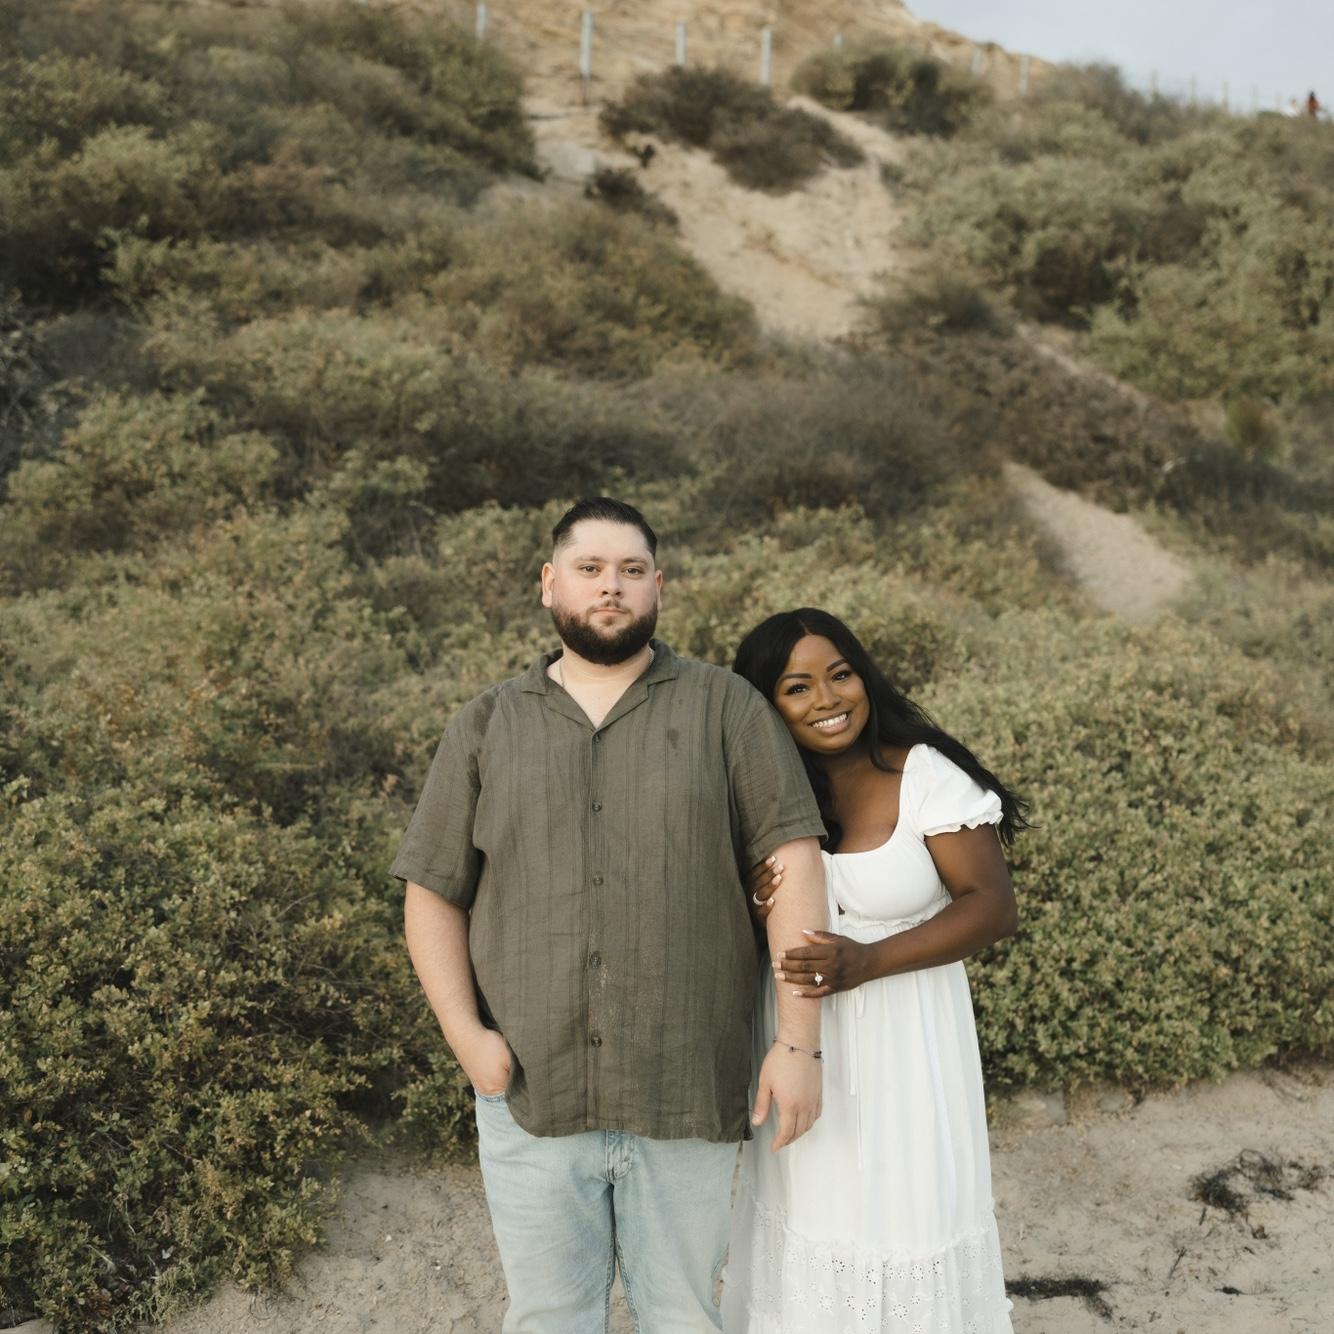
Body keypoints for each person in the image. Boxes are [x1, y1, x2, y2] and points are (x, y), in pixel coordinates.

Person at [392, 498, 828, 1332]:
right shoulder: (486, 724)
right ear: (548, 583)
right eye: (589, 569)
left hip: (686, 1085)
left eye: (631, 570)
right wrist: (465, 1037)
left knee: (685, 1317)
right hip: (533, 1090)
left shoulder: (727, 709)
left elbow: (794, 868)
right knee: (549, 1318)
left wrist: (798, 1042)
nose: (610, 587)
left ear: (659, 587)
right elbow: (433, 892)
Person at [721, 608, 1027, 1333]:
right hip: (802, 1039)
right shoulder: (756, 792)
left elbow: (992, 907)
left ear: (866, 677)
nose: (827, 700)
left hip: (910, 1039)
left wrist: (868, 959)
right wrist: (749, 906)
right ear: (766, 705)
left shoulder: (922, 774)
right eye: (798, 687)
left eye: (841, 675)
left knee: (908, 1210)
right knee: (813, 1206)